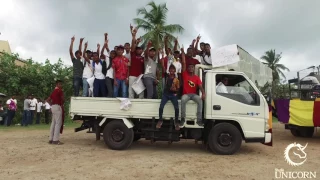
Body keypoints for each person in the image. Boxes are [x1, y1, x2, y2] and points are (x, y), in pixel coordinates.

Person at [180, 47, 206, 126]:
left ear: (194, 69)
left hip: (194, 95)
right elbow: (184, 63)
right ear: (187, 69)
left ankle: (199, 120)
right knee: (183, 100)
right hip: (186, 95)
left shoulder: (196, 77)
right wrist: (183, 53)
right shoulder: (185, 75)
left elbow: (200, 86)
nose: (191, 68)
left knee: (200, 101)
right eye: (189, 67)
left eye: (192, 67)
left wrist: (203, 93)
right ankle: (182, 118)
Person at [157, 64, 180, 130]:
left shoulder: (176, 80)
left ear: (175, 71)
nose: (172, 70)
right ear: (169, 70)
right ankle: (160, 120)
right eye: (171, 69)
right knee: (161, 107)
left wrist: (175, 91)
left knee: (177, 108)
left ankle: (176, 121)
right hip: (166, 95)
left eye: (173, 69)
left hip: (173, 95)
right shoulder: (167, 77)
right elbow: (163, 68)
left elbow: (178, 89)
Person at [47, 80, 64, 145]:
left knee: (53, 123)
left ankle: (51, 139)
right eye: (59, 84)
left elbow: (48, 99)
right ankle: (55, 140)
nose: (61, 85)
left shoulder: (54, 91)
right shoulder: (59, 91)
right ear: (57, 85)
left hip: (53, 107)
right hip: (57, 107)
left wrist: (51, 104)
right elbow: (63, 99)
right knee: (58, 123)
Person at [128, 27, 144, 99]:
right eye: (137, 49)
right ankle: (130, 102)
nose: (138, 50)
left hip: (139, 76)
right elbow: (132, 46)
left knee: (141, 91)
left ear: (141, 51)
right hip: (132, 76)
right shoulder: (133, 55)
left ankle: (141, 103)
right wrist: (134, 36)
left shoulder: (143, 58)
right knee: (131, 90)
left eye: (140, 49)